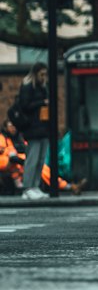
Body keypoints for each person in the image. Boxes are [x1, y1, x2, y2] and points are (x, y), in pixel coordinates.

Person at [15, 62, 49, 201]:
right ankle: (27, 187)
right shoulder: (28, 87)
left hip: (43, 127)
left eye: (45, 74)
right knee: (32, 159)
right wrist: (41, 103)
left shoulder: (42, 87)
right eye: (41, 74)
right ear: (35, 74)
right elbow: (24, 106)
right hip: (32, 128)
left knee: (40, 160)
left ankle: (34, 186)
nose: (43, 77)